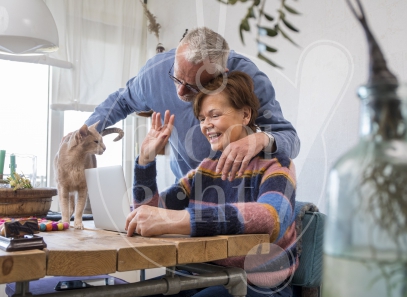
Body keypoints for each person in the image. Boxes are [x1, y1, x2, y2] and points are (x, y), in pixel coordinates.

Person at [125, 71, 297, 297]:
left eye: (214, 115)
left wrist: (183, 219)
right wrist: (145, 161)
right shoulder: (206, 168)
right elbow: (149, 211)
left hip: (258, 285)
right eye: (202, 119)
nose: (206, 125)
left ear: (245, 115)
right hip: (202, 276)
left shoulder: (276, 163)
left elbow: (271, 217)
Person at [85, 27, 300, 181]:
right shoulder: (156, 72)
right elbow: (121, 101)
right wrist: (83, 134)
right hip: (189, 190)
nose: (180, 91)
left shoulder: (249, 79)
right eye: (177, 78)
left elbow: (290, 139)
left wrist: (260, 139)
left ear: (221, 77)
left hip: (238, 194)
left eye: (194, 86)